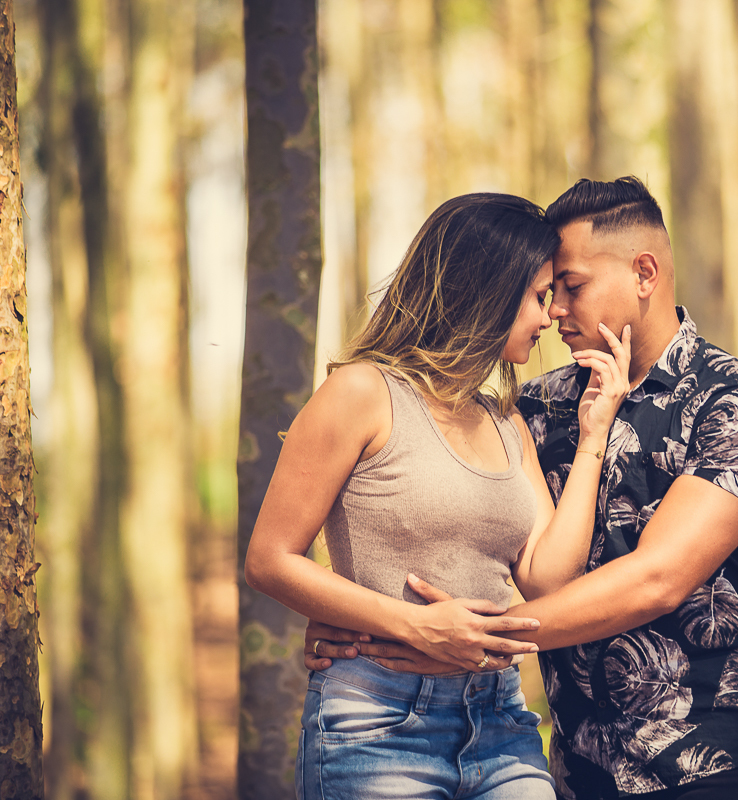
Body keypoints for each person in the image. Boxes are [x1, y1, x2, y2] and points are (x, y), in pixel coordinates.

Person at [306, 177, 738, 799]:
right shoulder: (534, 409)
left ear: (644, 273)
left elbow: (658, 578)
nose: (555, 309)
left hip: (714, 762)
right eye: (547, 291)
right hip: (577, 767)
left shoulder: (735, 405)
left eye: (573, 286)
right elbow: (450, 521)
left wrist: (473, 642)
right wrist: (366, 623)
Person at [244, 192, 633, 800]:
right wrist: (414, 626)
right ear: (488, 291)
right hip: (378, 723)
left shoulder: (507, 423)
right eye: (539, 296)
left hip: (500, 720)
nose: (551, 315)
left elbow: (547, 580)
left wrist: (594, 436)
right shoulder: (362, 392)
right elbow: (269, 559)